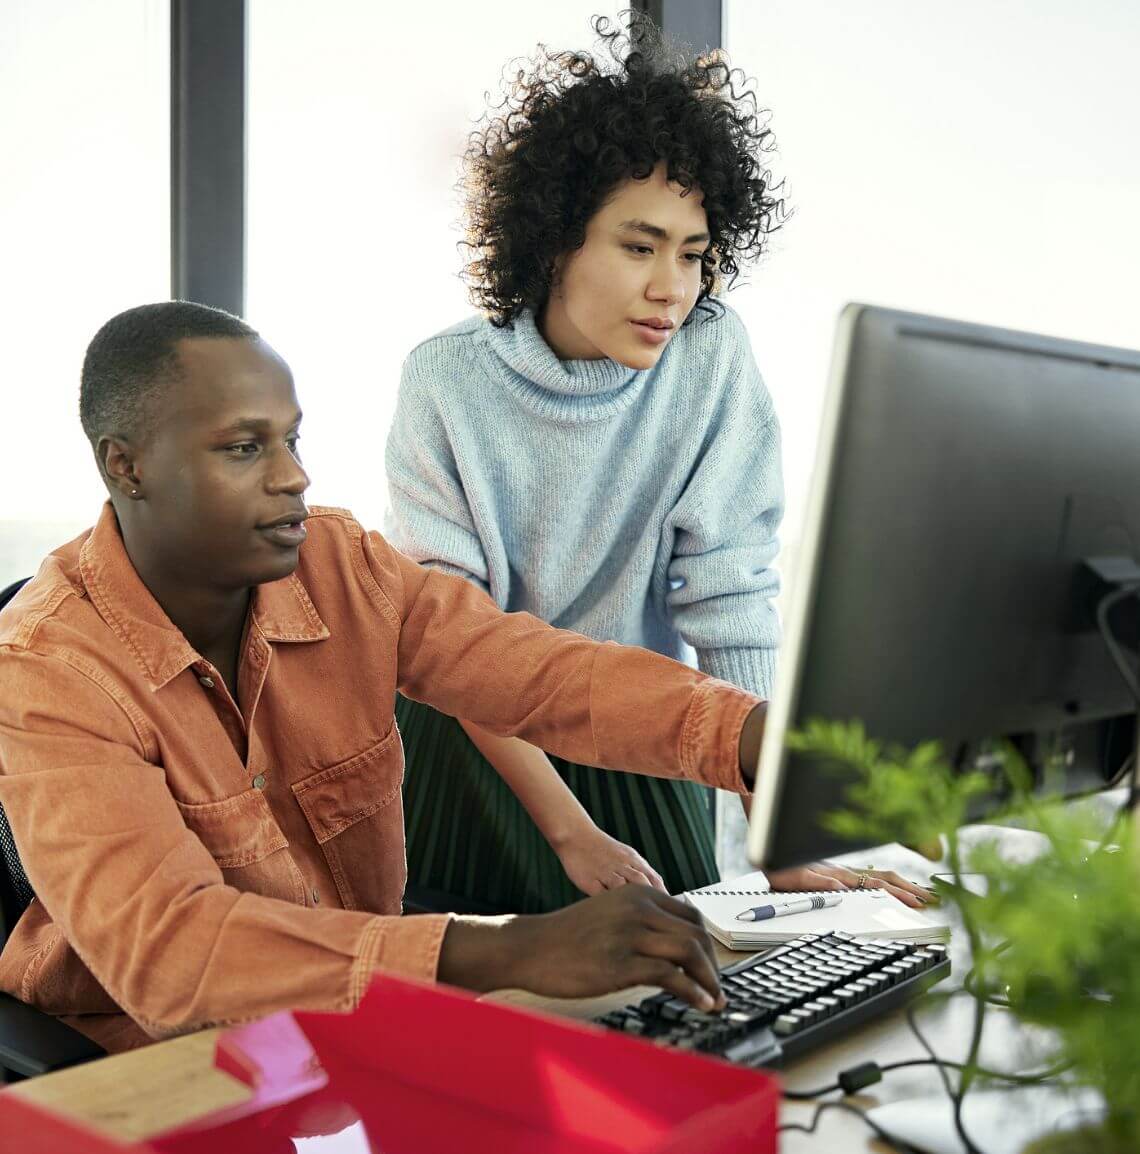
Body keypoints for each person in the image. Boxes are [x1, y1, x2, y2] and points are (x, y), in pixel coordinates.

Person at [0, 301, 767, 1053]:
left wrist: (751, 736)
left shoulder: (339, 565)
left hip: (348, 1030)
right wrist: (506, 951)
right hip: (142, 1067)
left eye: (293, 439)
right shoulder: (47, 669)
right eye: (244, 448)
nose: (294, 476)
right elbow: (170, 950)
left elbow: (541, 674)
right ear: (125, 465)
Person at [386, 15, 931, 912]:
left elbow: (731, 596)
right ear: (554, 238)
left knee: (686, 965)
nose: (671, 288)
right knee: (493, 995)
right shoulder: (445, 379)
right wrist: (569, 829)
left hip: (644, 725)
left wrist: (778, 833)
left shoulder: (711, 356)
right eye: (639, 247)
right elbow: (454, 641)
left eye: (692, 254)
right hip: (473, 743)